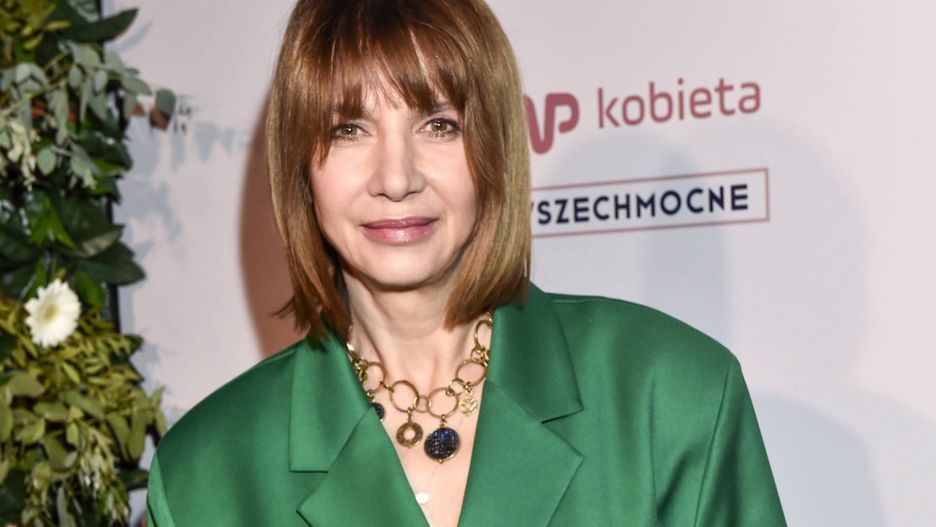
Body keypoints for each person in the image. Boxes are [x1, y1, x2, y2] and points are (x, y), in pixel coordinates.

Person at [145, 0, 787, 525]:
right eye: (348, 129)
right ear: (299, 169)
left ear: (495, 149)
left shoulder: (668, 395)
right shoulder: (208, 473)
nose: (396, 178)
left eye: (439, 125)